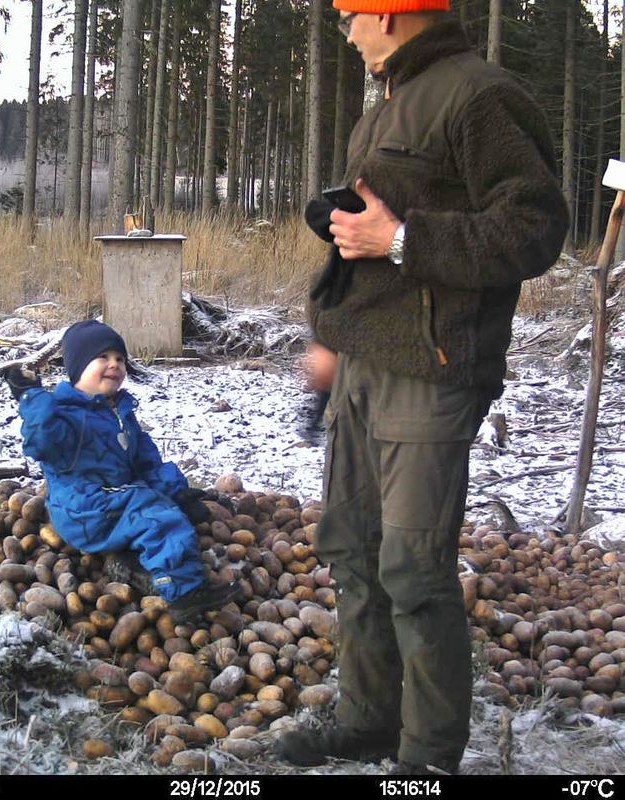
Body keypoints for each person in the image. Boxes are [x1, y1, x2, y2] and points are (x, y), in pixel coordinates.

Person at [277, 0, 568, 776]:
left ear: (389, 14)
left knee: (412, 568)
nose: (344, 31)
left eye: (349, 15)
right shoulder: (387, 107)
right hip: (364, 363)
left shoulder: (479, 95)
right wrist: (329, 332)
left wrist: (402, 239)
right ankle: (367, 719)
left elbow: (534, 227)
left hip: (432, 369)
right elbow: (370, 234)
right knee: (354, 551)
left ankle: (428, 757)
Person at [6, 319, 241, 624]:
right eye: (102, 357)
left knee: (160, 501)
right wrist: (32, 397)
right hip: (85, 509)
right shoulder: (62, 416)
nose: (114, 364)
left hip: (111, 499)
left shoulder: (119, 411)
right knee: (156, 515)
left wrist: (177, 492)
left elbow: (144, 462)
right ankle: (185, 593)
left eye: (119, 358)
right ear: (77, 369)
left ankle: (129, 565)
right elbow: (41, 440)